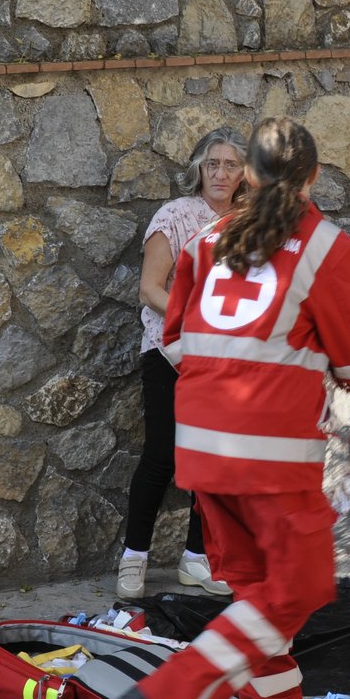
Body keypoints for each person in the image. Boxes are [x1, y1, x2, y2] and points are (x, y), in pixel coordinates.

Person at [118, 117, 350, 699]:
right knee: (297, 589)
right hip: (274, 456)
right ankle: (168, 695)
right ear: (314, 178)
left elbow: (176, 338)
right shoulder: (327, 248)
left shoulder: (207, 239)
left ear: (247, 175)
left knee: (257, 600)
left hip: (204, 454)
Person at [113, 127, 245, 601]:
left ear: (243, 172)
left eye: (231, 165)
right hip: (172, 352)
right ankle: (134, 557)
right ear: (199, 168)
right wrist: (198, 326)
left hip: (226, 360)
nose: (221, 173)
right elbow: (150, 289)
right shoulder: (176, 215)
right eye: (213, 164)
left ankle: (197, 559)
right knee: (162, 455)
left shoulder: (250, 223)